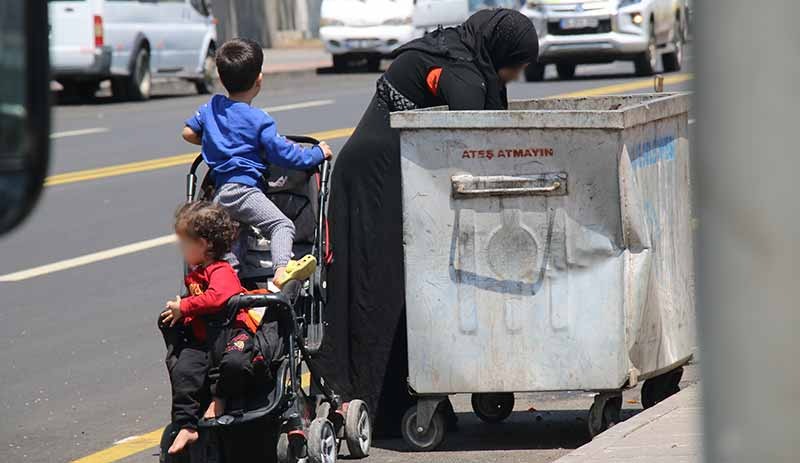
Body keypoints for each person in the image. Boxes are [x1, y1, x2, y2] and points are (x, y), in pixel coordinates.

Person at [312, 8, 540, 435]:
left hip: (399, 175)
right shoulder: (463, 72)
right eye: (515, 66)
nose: (513, 76)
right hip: (374, 181)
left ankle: (408, 396)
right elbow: (472, 137)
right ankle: (376, 405)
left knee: (410, 287)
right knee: (384, 290)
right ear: (501, 51)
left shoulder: (461, 49)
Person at [181, 38, 333, 287]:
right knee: (281, 224)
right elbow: (285, 154)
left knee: (231, 243)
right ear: (259, 80)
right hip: (244, 191)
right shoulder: (258, 120)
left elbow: (187, 133)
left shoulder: (211, 108)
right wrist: (317, 153)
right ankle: (281, 268)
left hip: (220, 194)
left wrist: (216, 145)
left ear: (220, 77)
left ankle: (228, 287)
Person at [159, 201, 257, 454]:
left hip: (232, 335)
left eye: (184, 243)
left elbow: (217, 298)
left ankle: (220, 399)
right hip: (205, 341)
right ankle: (187, 425)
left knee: (233, 363)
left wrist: (186, 307)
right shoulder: (197, 272)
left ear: (203, 245)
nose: (180, 249)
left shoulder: (221, 270)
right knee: (183, 369)